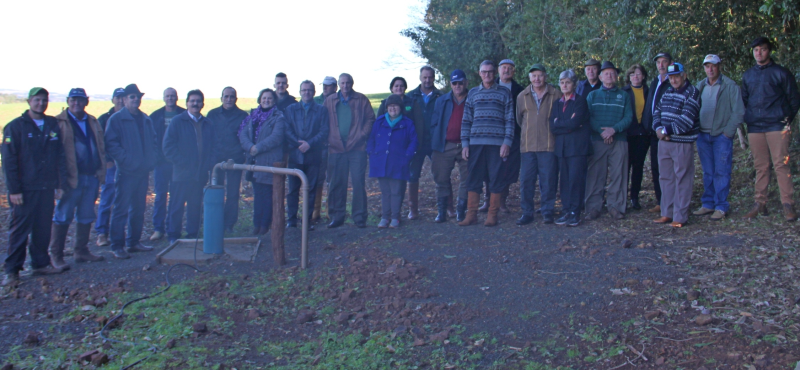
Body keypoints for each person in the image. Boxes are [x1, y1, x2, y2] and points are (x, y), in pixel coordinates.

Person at [2, 88, 69, 285]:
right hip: (24, 189)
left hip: (46, 187)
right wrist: (14, 190)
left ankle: (40, 263)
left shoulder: (51, 124)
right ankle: (12, 270)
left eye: (44, 100)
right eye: (37, 100)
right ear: (29, 101)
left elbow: (60, 156)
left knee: (42, 228)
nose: (41, 103)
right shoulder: (15, 127)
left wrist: (60, 184)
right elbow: (9, 161)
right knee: (19, 230)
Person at [741, 37, 800, 221]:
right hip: (755, 127)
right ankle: (760, 203)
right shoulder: (748, 75)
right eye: (756, 49)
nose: (759, 53)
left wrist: (785, 118)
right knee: (761, 166)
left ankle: (788, 204)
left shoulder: (781, 73)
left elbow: (794, 100)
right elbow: (744, 100)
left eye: (763, 49)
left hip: (777, 125)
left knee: (781, 164)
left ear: (769, 51)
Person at [50, 88, 106, 270]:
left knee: (86, 214)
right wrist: (59, 181)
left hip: (91, 176)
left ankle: (81, 251)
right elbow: (55, 154)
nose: (77, 103)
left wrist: (101, 169)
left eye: (80, 100)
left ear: (86, 101)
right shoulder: (58, 123)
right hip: (71, 178)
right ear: (67, 100)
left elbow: (100, 146)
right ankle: (56, 255)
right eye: (73, 100)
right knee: (63, 215)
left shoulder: (92, 121)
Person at [459, 60, 515, 227]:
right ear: (479, 73)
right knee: (473, 178)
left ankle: (492, 214)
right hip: (476, 143)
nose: (487, 74)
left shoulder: (505, 93)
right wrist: (465, 143)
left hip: (497, 144)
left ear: (495, 73)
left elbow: (510, 120)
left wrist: (507, 142)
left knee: (496, 178)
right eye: (484, 72)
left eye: (490, 72)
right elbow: (466, 120)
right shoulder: (473, 93)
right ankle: (472, 214)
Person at [104, 84, 157, 259]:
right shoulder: (117, 119)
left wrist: (150, 161)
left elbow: (153, 142)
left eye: (137, 97)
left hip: (142, 172)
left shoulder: (145, 119)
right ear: (124, 99)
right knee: (121, 209)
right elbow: (111, 144)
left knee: (139, 208)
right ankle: (117, 245)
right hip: (126, 172)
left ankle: (133, 242)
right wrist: (127, 161)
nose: (135, 99)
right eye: (131, 97)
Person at [692, 55, 744, 221]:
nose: (710, 69)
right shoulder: (700, 86)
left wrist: (728, 132)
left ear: (719, 66)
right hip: (703, 135)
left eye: (713, 66)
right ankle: (708, 204)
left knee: (721, 171)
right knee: (708, 171)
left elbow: (739, 111)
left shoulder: (729, 86)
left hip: (721, 136)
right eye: (707, 66)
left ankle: (721, 206)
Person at [162, 90, 217, 244]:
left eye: (198, 101)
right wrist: (183, 163)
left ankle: (192, 234)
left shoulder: (207, 124)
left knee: (195, 205)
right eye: (192, 101)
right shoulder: (178, 122)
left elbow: (214, 147)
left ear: (203, 104)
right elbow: (168, 147)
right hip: (181, 173)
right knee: (177, 204)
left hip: (200, 173)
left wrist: (208, 164)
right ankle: (173, 235)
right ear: (186, 103)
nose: (195, 104)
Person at [324, 73, 376, 228]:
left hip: (357, 148)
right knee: (337, 183)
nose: (345, 86)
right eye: (342, 83)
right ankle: (337, 216)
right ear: (338, 84)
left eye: (348, 83)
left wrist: (362, 134)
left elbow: (370, 119)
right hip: (336, 148)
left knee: (358, 183)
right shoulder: (330, 101)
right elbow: (323, 122)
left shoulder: (361, 99)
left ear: (352, 83)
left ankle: (359, 217)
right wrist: (329, 139)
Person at [652, 62, 700, 228]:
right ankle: (667, 213)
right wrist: (658, 129)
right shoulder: (667, 92)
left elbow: (686, 121)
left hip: (681, 143)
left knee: (682, 179)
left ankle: (680, 216)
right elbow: (656, 112)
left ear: (683, 76)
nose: (674, 80)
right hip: (664, 142)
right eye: (671, 77)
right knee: (666, 178)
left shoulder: (692, 92)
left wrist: (665, 131)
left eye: (676, 76)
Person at [584, 61, 633, 221]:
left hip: (619, 140)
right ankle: (593, 207)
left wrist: (614, 130)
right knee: (595, 175)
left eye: (613, 73)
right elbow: (588, 117)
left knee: (619, 174)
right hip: (598, 140)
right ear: (600, 76)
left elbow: (628, 117)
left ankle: (616, 207)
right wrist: (602, 131)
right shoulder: (592, 95)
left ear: (617, 76)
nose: (610, 76)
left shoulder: (624, 95)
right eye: (606, 73)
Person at [516, 64, 562, 225]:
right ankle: (527, 212)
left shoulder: (556, 94)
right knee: (526, 181)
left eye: (540, 75)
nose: (537, 79)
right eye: (534, 76)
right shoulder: (522, 96)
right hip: (528, 146)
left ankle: (547, 211)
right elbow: (520, 120)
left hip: (548, 145)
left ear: (545, 76)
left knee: (548, 180)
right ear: (530, 78)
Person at [368, 94, 419, 228]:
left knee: (396, 191)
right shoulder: (379, 122)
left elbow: (413, 141)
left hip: (398, 162)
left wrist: (407, 156)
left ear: (400, 108)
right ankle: (385, 217)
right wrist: (372, 154)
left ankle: (395, 217)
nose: (393, 109)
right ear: (386, 108)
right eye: (390, 106)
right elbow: (371, 139)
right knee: (385, 191)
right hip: (381, 161)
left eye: (395, 106)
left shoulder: (407, 123)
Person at [239, 89, 286, 235]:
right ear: (260, 99)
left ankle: (265, 225)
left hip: (269, 161)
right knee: (257, 194)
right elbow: (243, 134)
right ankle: (256, 224)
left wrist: (257, 148)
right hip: (254, 162)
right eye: (264, 98)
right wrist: (250, 147)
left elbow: (277, 137)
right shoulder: (252, 116)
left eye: (270, 98)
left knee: (267, 195)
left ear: (274, 100)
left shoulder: (279, 117)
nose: (266, 100)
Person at [284, 80, 330, 229]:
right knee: (292, 190)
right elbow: (287, 129)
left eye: (309, 90)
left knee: (310, 189)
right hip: (295, 155)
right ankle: (291, 219)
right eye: (304, 90)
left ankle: (307, 220)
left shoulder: (321, 110)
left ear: (314, 92)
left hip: (313, 155)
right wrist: (298, 143)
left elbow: (324, 131)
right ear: (300, 92)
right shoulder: (291, 109)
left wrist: (309, 143)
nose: (307, 93)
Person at [550, 70, 591, 227]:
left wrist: (561, 122)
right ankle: (566, 210)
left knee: (576, 180)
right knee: (565, 181)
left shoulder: (580, 102)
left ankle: (575, 212)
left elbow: (575, 123)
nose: (564, 85)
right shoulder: (557, 103)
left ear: (574, 84)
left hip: (577, 149)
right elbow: (552, 127)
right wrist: (567, 124)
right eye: (562, 82)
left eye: (568, 82)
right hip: (561, 149)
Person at [430, 69, 470, 222]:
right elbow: (434, 123)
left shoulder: (472, 99)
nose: (458, 85)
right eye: (455, 83)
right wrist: (437, 140)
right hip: (445, 145)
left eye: (461, 82)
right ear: (450, 84)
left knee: (466, 179)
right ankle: (442, 211)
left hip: (466, 145)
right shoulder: (442, 100)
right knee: (441, 178)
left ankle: (461, 210)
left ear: (465, 83)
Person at [207, 87, 249, 232]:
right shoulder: (212, 115)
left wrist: (241, 155)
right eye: (226, 96)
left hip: (235, 159)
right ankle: (216, 220)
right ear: (221, 98)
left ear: (236, 99)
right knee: (216, 190)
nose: (229, 99)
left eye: (232, 97)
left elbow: (245, 136)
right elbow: (209, 137)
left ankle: (229, 224)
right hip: (216, 160)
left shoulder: (243, 116)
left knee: (232, 193)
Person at [148, 88, 185, 241]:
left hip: (178, 164)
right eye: (167, 96)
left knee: (177, 197)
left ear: (177, 98)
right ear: (164, 98)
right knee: (160, 196)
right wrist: (156, 158)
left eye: (172, 96)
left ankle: (172, 230)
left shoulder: (183, 115)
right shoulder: (155, 116)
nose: (170, 98)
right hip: (161, 164)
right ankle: (158, 228)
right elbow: (151, 139)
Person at [406, 66, 441, 219]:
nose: (427, 80)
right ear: (420, 77)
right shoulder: (411, 96)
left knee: (441, 175)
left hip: (435, 142)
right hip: (417, 142)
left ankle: (446, 208)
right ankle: (413, 209)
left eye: (430, 77)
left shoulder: (441, 96)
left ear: (434, 78)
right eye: (425, 77)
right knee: (413, 175)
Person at [490, 59, 525, 213]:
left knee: (508, 168)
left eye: (510, 68)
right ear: (498, 70)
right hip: (492, 134)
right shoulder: (489, 86)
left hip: (513, 134)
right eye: (504, 67)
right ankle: (488, 200)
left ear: (514, 71)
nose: (506, 70)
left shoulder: (520, 90)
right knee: (490, 167)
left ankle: (502, 200)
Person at [640, 52, 672, 213]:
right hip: (653, 132)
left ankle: (669, 202)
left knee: (668, 168)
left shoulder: (673, 81)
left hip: (667, 133)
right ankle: (661, 201)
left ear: (670, 63)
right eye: (658, 62)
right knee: (656, 167)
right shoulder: (655, 81)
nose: (661, 65)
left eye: (664, 62)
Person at [95, 87, 125, 247]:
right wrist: (106, 160)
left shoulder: (131, 117)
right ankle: (102, 233)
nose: (120, 100)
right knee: (107, 199)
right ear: (112, 100)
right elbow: (100, 143)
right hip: (111, 165)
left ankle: (120, 233)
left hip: (127, 166)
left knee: (124, 200)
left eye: (123, 97)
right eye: (117, 97)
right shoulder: (104, 119)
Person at [623, 64, 650, 211]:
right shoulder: (624, 92)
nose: (636, 76)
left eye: (638, 74)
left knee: (638, 167)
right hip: (628, 134)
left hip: (643, 134)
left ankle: (635, 197)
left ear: (643, 76)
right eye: (633, 74)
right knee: (625, 167)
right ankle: (623, 198)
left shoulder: (648, 91)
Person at [311, 76, 338, 222]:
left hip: (334, 145)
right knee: (317, 178)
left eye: (329, 86)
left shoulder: (339, 100)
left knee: (332, 179)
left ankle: (330, 210)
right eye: (324, 86)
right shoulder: (316, 101)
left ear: (335, 87)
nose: (325, 88)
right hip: (318, 145)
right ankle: (315, 211)